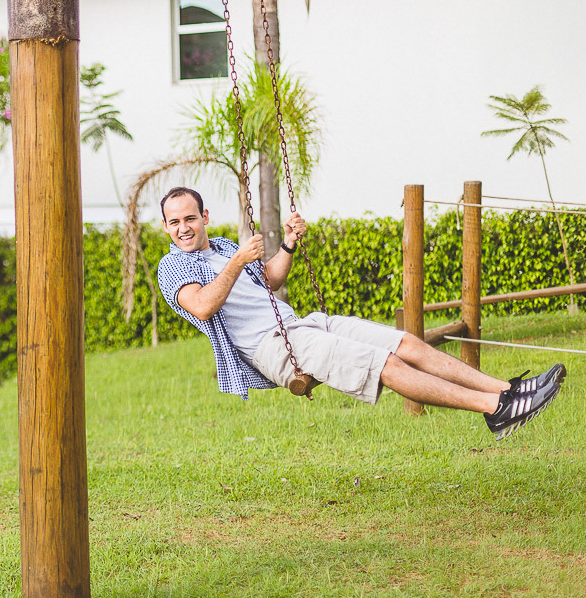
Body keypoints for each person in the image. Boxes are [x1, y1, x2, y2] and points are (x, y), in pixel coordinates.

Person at [156, 186, 564, 439]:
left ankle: (506, 391)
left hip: (300, 323)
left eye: (190, 217)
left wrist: (290, 244)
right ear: (165, 227)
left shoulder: (225, 246)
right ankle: (496, 411)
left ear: (204, 217)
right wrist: (238, 260)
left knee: (404, 341)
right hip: (275, 347)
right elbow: (205, 305)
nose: (183, 227)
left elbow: (271, 280)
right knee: (383, 363)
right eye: (174, 222)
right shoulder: (173, 266)